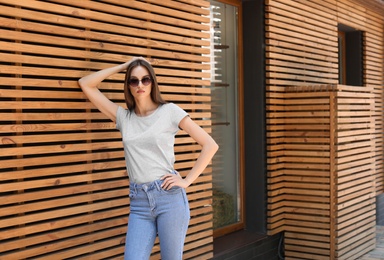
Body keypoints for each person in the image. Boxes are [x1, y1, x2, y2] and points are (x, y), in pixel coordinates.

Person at [78, 57, 218, 260]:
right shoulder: (124, 118)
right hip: (139, 202)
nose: (140, 85)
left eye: (145, 79)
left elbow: (210, 145)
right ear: (128, 86)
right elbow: (86, 84)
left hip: (168, 197)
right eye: (133, 81)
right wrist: (125, 66)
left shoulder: (169, 111)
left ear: (153, 82)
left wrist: (187, 181)